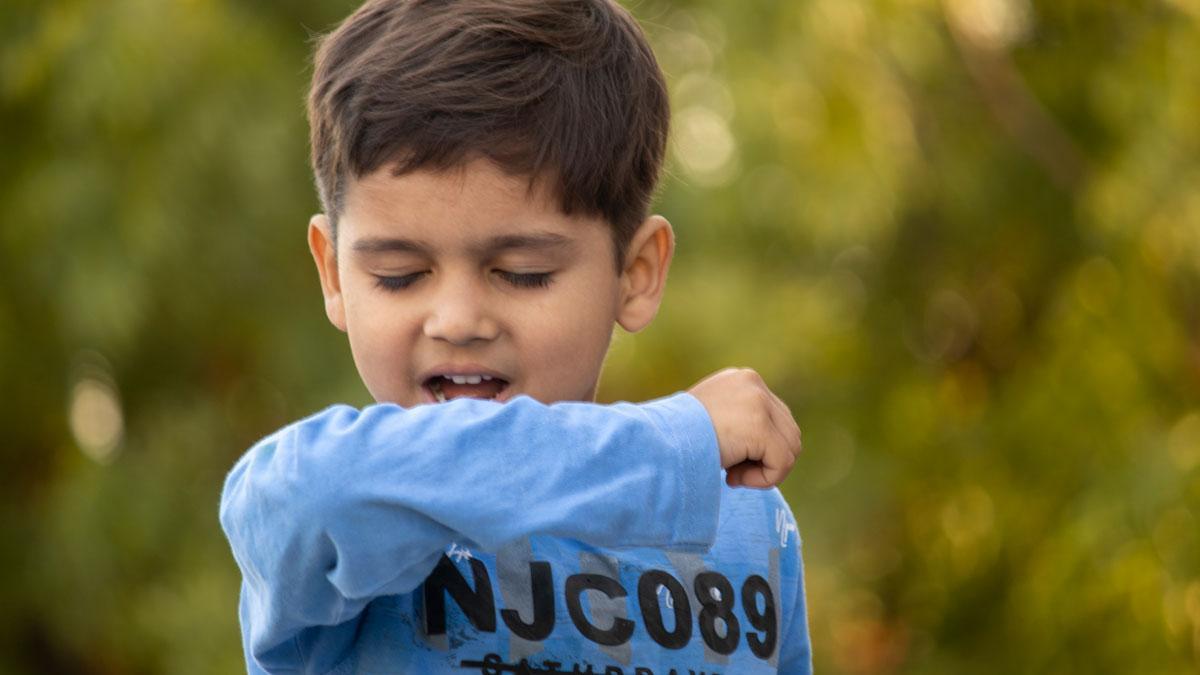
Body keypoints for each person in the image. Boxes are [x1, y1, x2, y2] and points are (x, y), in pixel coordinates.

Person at [219, 0, 812, 672]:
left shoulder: (741, 515)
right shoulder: (342, 515)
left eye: (523, 274)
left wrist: (682, 460)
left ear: (636, 273)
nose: (458, 320)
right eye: (400, 274)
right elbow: (315, 493)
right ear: (333, 271)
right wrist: (665, 451)